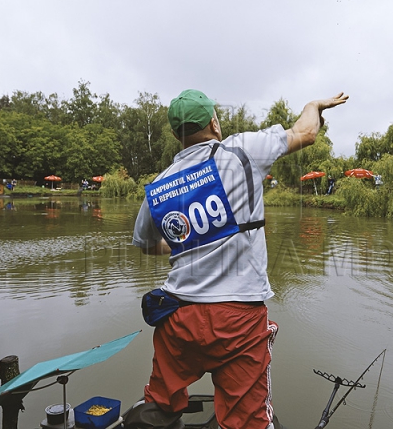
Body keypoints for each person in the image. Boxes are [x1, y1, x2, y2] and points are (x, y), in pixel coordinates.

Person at [130, 89, 348, 429]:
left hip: (177, 319)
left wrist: (183, 241)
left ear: (176, 135)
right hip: (239, 320)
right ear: (215, 123)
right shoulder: (241, 150)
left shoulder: (160, 184)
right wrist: (313, 106)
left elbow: (145, 243)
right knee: (245, 421)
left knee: (160, 406)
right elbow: (306, 133)